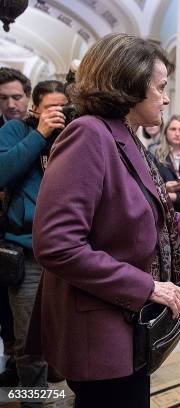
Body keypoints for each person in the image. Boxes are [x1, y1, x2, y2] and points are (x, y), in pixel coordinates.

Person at [29, 33, 180, 407]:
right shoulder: (89, 134)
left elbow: (156, 213)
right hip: (98, 331)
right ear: (130, 86)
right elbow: (57, 245)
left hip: (122, 325)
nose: (166, 98)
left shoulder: (123, 136)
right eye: (161, 87)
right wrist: (148, 286)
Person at [0, 80, 69, 406]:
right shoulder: (16, 131)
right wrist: (39, 133)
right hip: (27, 256)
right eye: (52, 108)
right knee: (28, 341)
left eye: (64, 108)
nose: (59, 114)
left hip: (70, 254)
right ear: (36, 108)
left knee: (73, 331)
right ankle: (34, 402)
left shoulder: (75, 135)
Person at [0, 67, 31, 386]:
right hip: (8, 239)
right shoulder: (12, 133)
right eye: (3, 98)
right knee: (9, 317)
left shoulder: (33, 130)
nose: (10, 104)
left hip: (23, 241)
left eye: (16, 97)